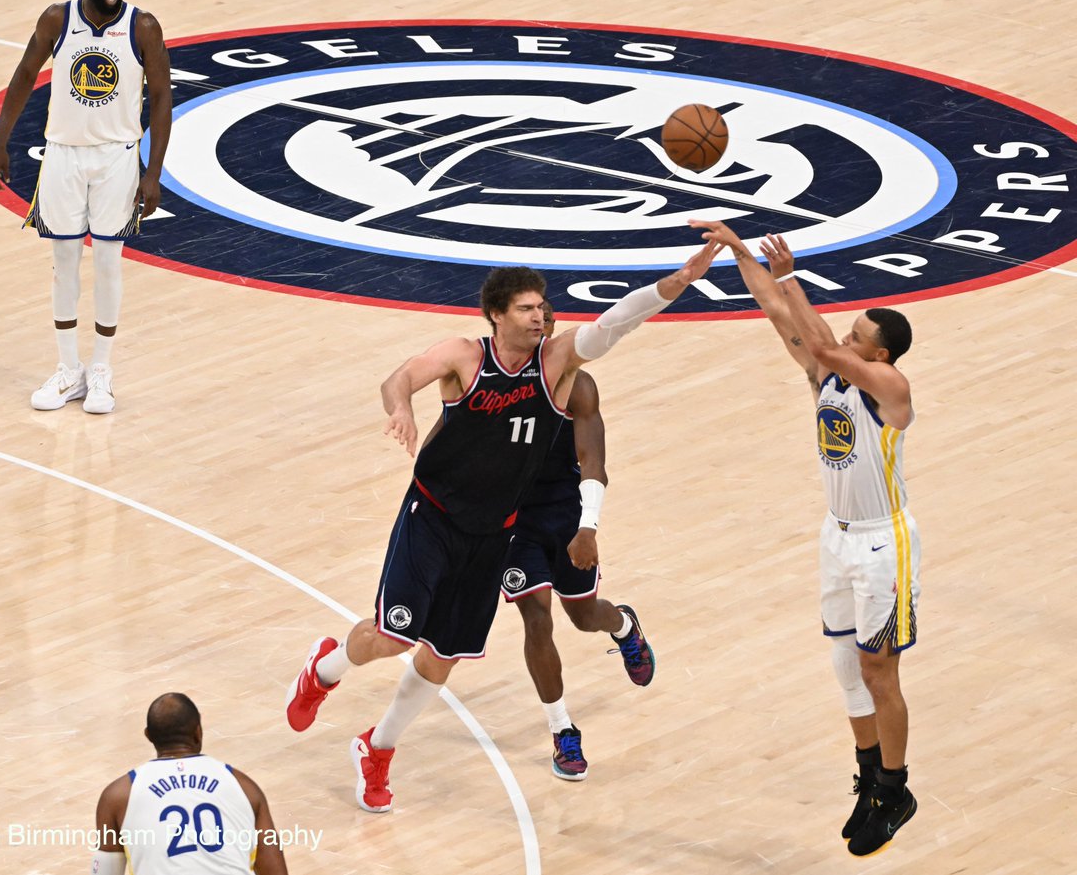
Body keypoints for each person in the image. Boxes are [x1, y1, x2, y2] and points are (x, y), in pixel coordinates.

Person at [284, 247, 719, 813]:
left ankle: (377, 748)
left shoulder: (559, 364)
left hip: (494, 533)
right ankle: (324, 669)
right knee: (392, 637)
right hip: (433, 515)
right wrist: (403, 409)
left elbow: (616, 323)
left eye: (542, 307)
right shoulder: (464, 357)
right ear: (496, 314)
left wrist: (680, 281)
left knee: (442, 657)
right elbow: (400, 377)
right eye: (525, 308)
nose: (539, 317)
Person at [691, 219, 919, 857]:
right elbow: (776, 313)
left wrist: (793, 277)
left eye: (857, 337)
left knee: (880, 669)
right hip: (836, 536)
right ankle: (870, 776)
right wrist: (740, 252)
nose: (844, 337)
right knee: (847, 667)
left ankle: (897, 790)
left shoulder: (893, 391)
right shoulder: (829, 379)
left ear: (879, 354)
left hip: (884, 543)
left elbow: (819, 341)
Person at [0, 0, 172, 414]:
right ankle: (69, 370)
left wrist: (153, 173)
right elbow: (25, 74)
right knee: (63, 260)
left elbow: (163, 99)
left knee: (108, 260)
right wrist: (1, 141)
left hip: (117, 158)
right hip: (63, 156)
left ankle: (102, 370)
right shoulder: (57, 18)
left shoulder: (142, 26)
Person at [498, 299, 654, 783]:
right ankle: (563, 729)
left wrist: (589, 527)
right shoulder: (492, 382)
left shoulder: (578, 386)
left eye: (545, 317)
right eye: (528, 315)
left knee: (585, 617)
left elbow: (594, 463)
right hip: (513, 524)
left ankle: (624, 626)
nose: (537, 324)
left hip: (566, 517)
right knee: (536, 618)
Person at [92, 693, 288, 875]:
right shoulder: (243, 787)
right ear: (198, 732)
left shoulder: (118, 795)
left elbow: (105, 872)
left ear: (148, 736)